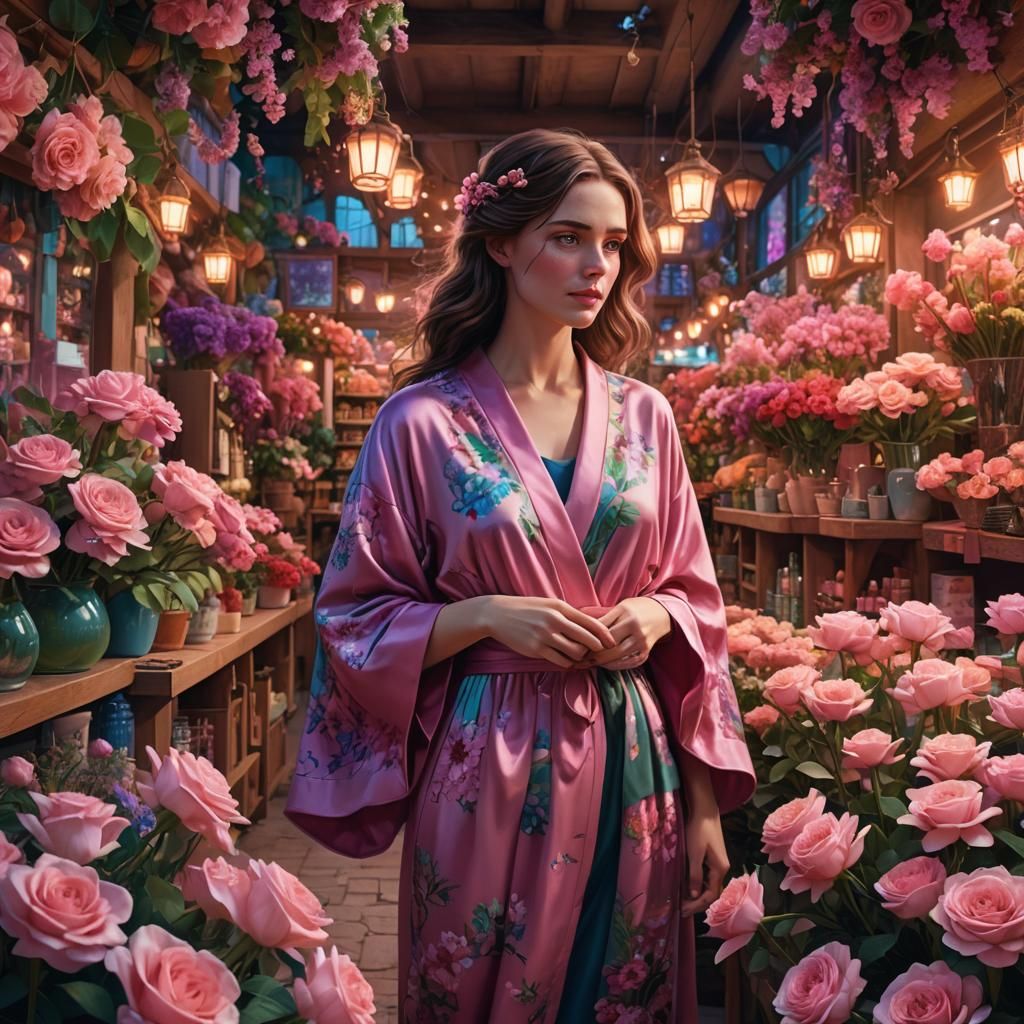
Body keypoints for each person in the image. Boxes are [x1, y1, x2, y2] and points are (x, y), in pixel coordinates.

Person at [286, 128, 756, 1023]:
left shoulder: (646, 418)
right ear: (502, 243)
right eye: (570, 236)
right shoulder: (418, 423)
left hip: (633, 761)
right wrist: (487, 617)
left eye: (613, 243)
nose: (597, 265)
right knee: (472, 994)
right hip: (484, 762)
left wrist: (659, 627)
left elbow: (697, 598)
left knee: (623, 992)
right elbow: (351, 614)